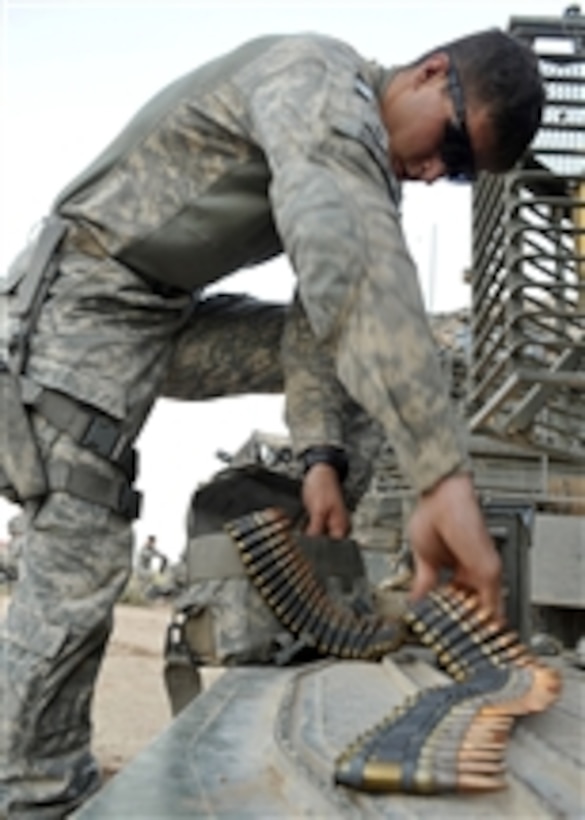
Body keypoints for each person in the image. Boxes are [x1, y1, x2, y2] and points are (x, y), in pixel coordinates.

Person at [0, 27, 544, 816]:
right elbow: (345, 258)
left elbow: (320, 317)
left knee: (362, 345)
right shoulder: (318, 81)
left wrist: (321, 455)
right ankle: (30, 794)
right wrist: (441, 474)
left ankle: (307, 596)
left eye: (458, 176)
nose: (433, 172)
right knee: (82, 541)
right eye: (451, 146)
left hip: (162, 315)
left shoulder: (367, 166)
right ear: (430, 73)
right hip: (87, 299)